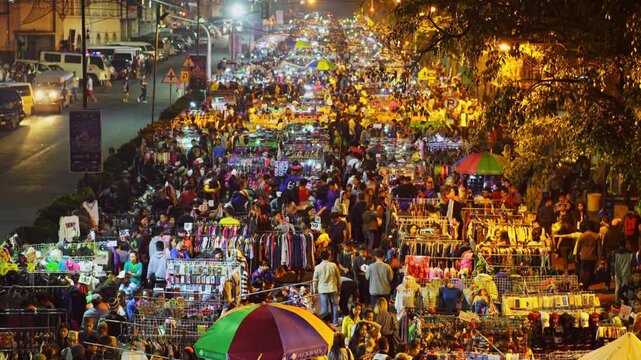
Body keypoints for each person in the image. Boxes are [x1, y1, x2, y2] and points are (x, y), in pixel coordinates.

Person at [313, 251, 342, 326]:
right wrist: (339, 287)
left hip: (323, 289)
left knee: (324, 307)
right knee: (335, 305)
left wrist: (314, 290)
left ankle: (325, 322)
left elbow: (315, 280)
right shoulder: (333, 265)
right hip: (333, 288)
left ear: (321, 257)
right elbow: (338, 278)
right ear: (329, 257)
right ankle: (335, 322)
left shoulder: (317, 267)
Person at [575, 221, 601, 291]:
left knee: (583, 270)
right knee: (589, 271)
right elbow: (599, 249)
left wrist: (577, 255)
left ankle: (581, 283)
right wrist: (599, 259)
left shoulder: (582, 236)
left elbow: (578, 247)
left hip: (583, 256)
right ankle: (586, 286)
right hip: (592, 256)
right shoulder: (596, 236)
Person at [613, 240, 633, 305]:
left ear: (619, 244)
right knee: (624, 288)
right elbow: (631, 264)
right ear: (625, 244)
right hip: (626, 272)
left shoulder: (615, 253)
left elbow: (613, 263)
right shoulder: (630, 253)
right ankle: (624, 303)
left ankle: (617, 302)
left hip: (617, 272)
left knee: (617, 287)